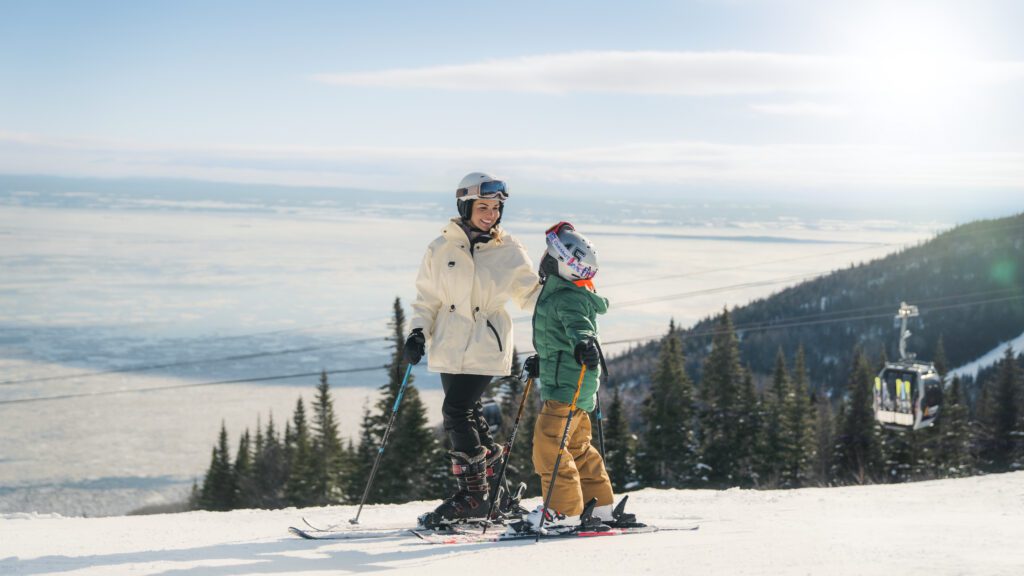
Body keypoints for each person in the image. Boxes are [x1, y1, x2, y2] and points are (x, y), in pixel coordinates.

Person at [405, 172, 541, 528]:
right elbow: (428, 298)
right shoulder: (440, 247)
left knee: (457, 409)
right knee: (472, 414)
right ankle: (496, 491)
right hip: (449, 345)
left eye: (496, 208)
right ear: (465, 206)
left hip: (486, 344)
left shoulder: (509, 249)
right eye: (483, 207)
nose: (491, 214)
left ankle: (473, 497)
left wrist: (567, 298)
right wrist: (418, 332)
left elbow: (531, 296)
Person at [527, 221, 633, 532]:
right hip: (576, 379)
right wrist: (542, 362)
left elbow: (578, 326)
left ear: (561, 263)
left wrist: (584, 343)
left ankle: (563, 511)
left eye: (548, 256)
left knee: (549, 445)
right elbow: (558, 336)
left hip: (567, 386)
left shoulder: (565, 297)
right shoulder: (569, 290)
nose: (543, 260)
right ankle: (599, 507)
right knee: (577, 446)